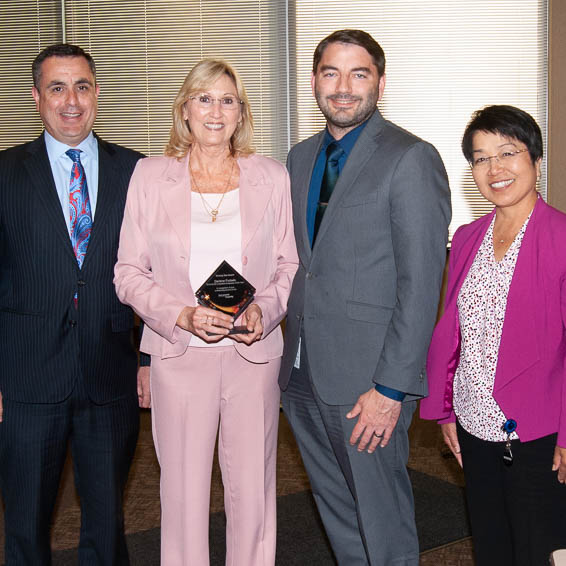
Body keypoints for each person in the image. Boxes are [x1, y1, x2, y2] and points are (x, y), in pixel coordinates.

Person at [114, 58, 298, 566]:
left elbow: (287, 264)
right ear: (185, 109)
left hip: (252, 355)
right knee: (183, 494)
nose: (215, 111)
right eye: (204, 98)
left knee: (254, 494)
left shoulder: (271, 176)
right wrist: (180, 314)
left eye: (227, 100)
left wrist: (265, 308)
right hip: (179, 356)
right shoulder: (150, 176)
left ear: (241, 113)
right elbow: (128, 272)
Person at [279, 29, 451, 566]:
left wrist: (391, 388)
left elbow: (422, 285)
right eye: (331, 73)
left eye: (359, 74)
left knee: (382, 523)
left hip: (368, 384)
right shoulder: (299, 158)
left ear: (381, 82)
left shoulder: (411, 157)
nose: (344, 87)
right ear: (314, 82)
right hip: (303, 374)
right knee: (340, 517)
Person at [0, 44, 145, 564]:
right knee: (26, 523)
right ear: (36, 96)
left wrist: (148, 358)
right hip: (25, 378)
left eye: (82, 86)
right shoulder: (5, 173)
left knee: (107, 525)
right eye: (57, 88)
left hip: (110, 373)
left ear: (97, 93)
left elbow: (156, 272)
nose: (71, 101)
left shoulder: (138, 172)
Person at [421, 105, 566, 565]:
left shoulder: (561, 236)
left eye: (507, 152)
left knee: (540, 549)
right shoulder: (466, 237)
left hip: (541, 430)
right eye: (481, 158)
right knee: (491, 545)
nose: (494, 168)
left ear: (535, 159)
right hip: (473, 422)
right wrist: (446, 409)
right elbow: (454, 331)